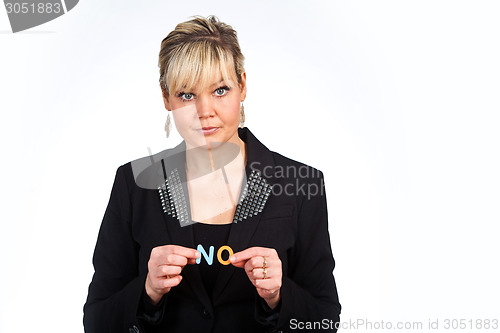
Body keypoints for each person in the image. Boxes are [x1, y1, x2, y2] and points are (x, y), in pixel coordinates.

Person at [84, 15, 341, 333]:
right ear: (166, 98)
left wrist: (278, 296)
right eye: (187, 95)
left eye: (220, 90)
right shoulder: (134, 184)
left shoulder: (300, 184)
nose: (204, 111)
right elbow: (96, 322)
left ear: (242, 85)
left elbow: (326, 321)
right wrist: (148, 291)